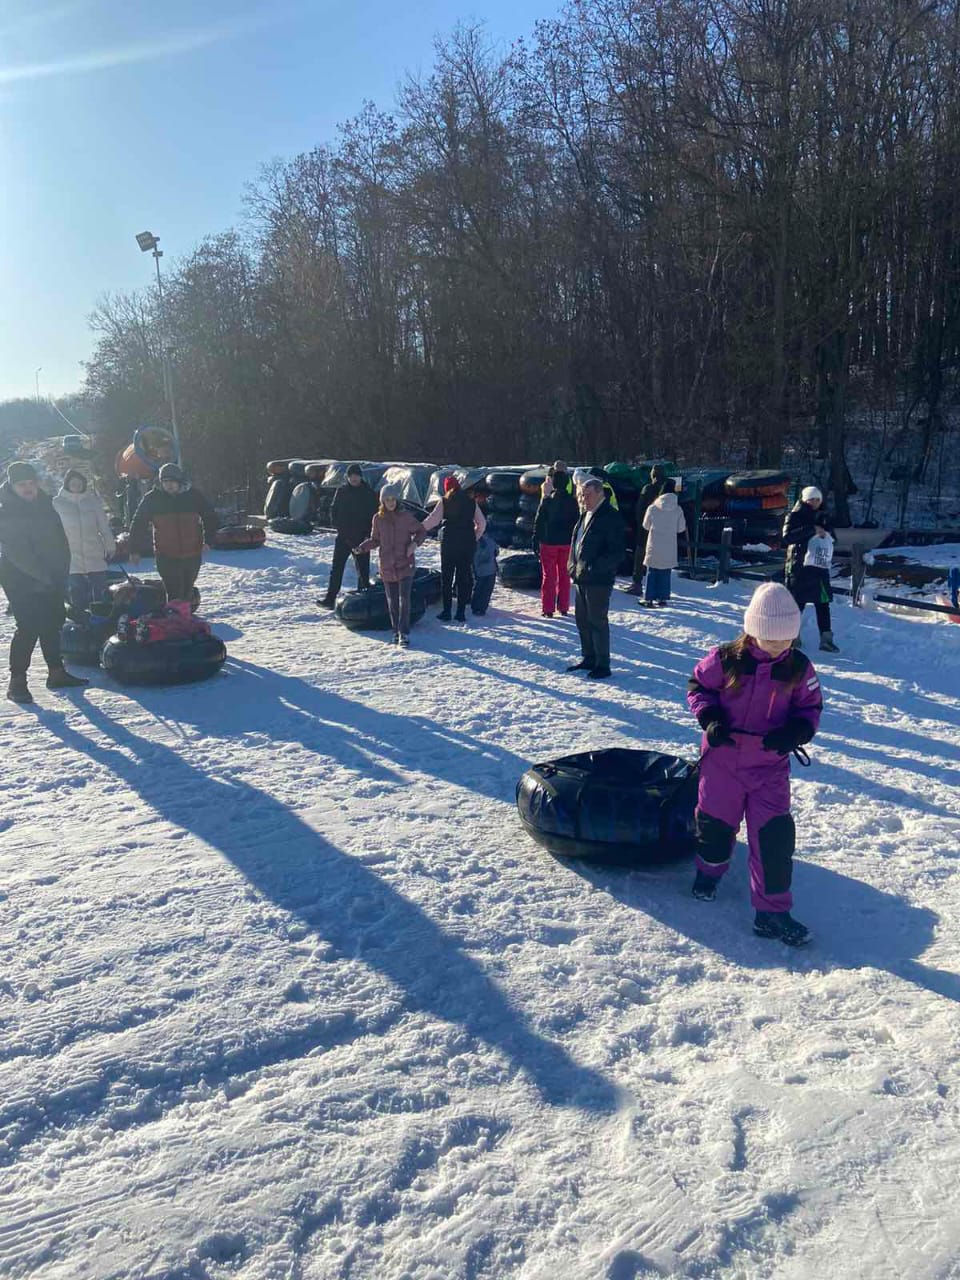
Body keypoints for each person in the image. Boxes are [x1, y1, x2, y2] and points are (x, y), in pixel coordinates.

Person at [686, 581, 823, 946]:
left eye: (787, 639)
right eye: (772, 639)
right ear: (753, 630)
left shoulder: (797, 666)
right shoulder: (725, 658)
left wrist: (795, 732)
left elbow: (810, 708)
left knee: (774, 838)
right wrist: (710, 719)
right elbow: (698, 687)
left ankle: (772, 912)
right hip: (723, 763)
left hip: (769, 767)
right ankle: (709, 872)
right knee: (715, 824)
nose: (780, 646)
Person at [0, 462, 88, 703]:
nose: (27, 488)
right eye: (22, 484)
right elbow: (18, 553)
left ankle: (56, 673)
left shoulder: (46, 505)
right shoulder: (6, 511)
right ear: (13, 486)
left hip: (51, 575)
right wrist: (45, 577)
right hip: (19, 578)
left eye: (30, 483)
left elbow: (61, 540)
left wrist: (62, 571)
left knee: (53, 622)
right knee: (28, 627)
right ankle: (17, 681)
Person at [128, 463, 219, 602]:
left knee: (187, 589)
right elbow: (138, 524)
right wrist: (134, 550)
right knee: (174, 591)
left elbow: (210, 517)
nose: (168, 485)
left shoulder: (193, 496)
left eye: (172, 481)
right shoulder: (152, 498)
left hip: (192, 553)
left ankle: (183, 616)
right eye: (165, 482)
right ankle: (176, 618)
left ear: (179, 480)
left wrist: (209, 541)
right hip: (166, 554)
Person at [566, 475, 624, 679]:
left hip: (598, 580)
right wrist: (571, 566)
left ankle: (603, 663)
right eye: (581, 495)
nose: (583, 499)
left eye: (588, 495)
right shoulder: (584, 515)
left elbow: (617, 552)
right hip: (581, 577)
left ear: (600, 493)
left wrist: (593, 567)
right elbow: (576, 543)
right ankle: (588, 657)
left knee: (597, 621)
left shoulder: (610, 516)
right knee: (582, 620)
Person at [355, 483, 426, 646]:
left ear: (397, 500)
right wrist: (363, 547)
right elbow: (375, 540)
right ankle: (395, 631)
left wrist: (414, 545)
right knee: (392, 601)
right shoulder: (378, 519)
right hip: (387, 565)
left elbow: (421, 531)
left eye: (393, 499)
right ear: (382, 502)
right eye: (387, 500)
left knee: (404, 600)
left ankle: (404, 633)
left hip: (405, 564)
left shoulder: (406, 517)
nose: (391, 502)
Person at [782, 485, 839, 653]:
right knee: (796, 604)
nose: (814, 502)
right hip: (800, 567)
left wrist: (826, 534)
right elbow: (787, 537)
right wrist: (811, 530)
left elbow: (834, 538)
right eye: (811, 499)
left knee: (823, 604)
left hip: (819, 568)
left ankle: (826, 639)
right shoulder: (794, 515)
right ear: (804, 499)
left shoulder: (824, 516)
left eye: (817, 499)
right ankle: (791, 637)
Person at [421, 475, 486, 622]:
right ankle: (461, 612)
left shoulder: (444, 501)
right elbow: (482, 524)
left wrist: (418, 529)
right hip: (467, 544)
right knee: (463, 577)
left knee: (447, 578)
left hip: (449, 543)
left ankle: (446, 611)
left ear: (446, 488)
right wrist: (474, 537)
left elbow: (432, 520)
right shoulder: (471, 502)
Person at [53, 469, 116, 612]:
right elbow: (51, 530)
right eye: (73, 483)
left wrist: (110, 545)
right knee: (76, 590)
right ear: (67, 484)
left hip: (94, 550)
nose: (76, 486)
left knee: (100, 589)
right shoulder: (57, 503)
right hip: (70, 554)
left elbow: (104, 526)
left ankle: (102, 617)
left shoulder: (92, 502)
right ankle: (80, 620)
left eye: (79, 483)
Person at [318, 464, 379, 608]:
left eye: (356, 476)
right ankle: (330, 598)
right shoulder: (342, 491)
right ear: (348, 477)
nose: (354, 479)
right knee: (337, 568)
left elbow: (374, 516)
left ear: (360, 477)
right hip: (344, 537)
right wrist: (338, 527)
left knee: (363, 571)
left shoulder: (368, 493)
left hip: (362, 538)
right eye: (351, 476)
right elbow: (334, 510)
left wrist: (368, 535)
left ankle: (363, 600)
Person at [535, 461, 579, 617]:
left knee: (549, 576)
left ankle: (548, 609)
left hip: (548, 542)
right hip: (567, 542)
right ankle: (564, 607)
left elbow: (539, 521)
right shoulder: (573, 502)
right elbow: (577, 522)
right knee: (564, 575)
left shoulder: (546, 501)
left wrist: (536, 539)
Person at [640, 478, 686, 607]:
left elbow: (646, 525)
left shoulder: (653, 508)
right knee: (665, 572)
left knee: (652, 571)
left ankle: (648, 598)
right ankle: (662, 598)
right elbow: (681, 528)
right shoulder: (678, 509)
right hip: (669, 546)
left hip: (654, 544)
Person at [625, 463, 668, 594]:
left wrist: (639, 523)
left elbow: (640, 509)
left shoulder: (648, 489)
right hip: (663, 530)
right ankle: (659, 589)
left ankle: (637, 584)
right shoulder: (668, 490)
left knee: (640, 556)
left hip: (646, 529)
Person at [471, 531, 498, 616]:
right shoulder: (491, 539)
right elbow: (496, 551)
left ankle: (475, 607)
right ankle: (481, 608)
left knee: (478, 588)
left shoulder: (473, 539)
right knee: (486, 590)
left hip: (479, 569)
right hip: (491, 568)